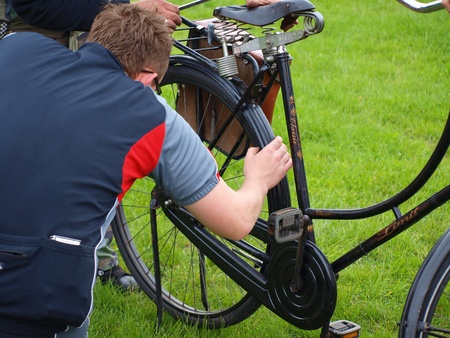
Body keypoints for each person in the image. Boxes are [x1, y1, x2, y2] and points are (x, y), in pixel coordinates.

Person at [0, 3, 292, 337]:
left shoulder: (14, 49)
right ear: (149, 78)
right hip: (33, 304)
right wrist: (258, 179)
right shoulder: (150, 116)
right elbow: (237, 221)